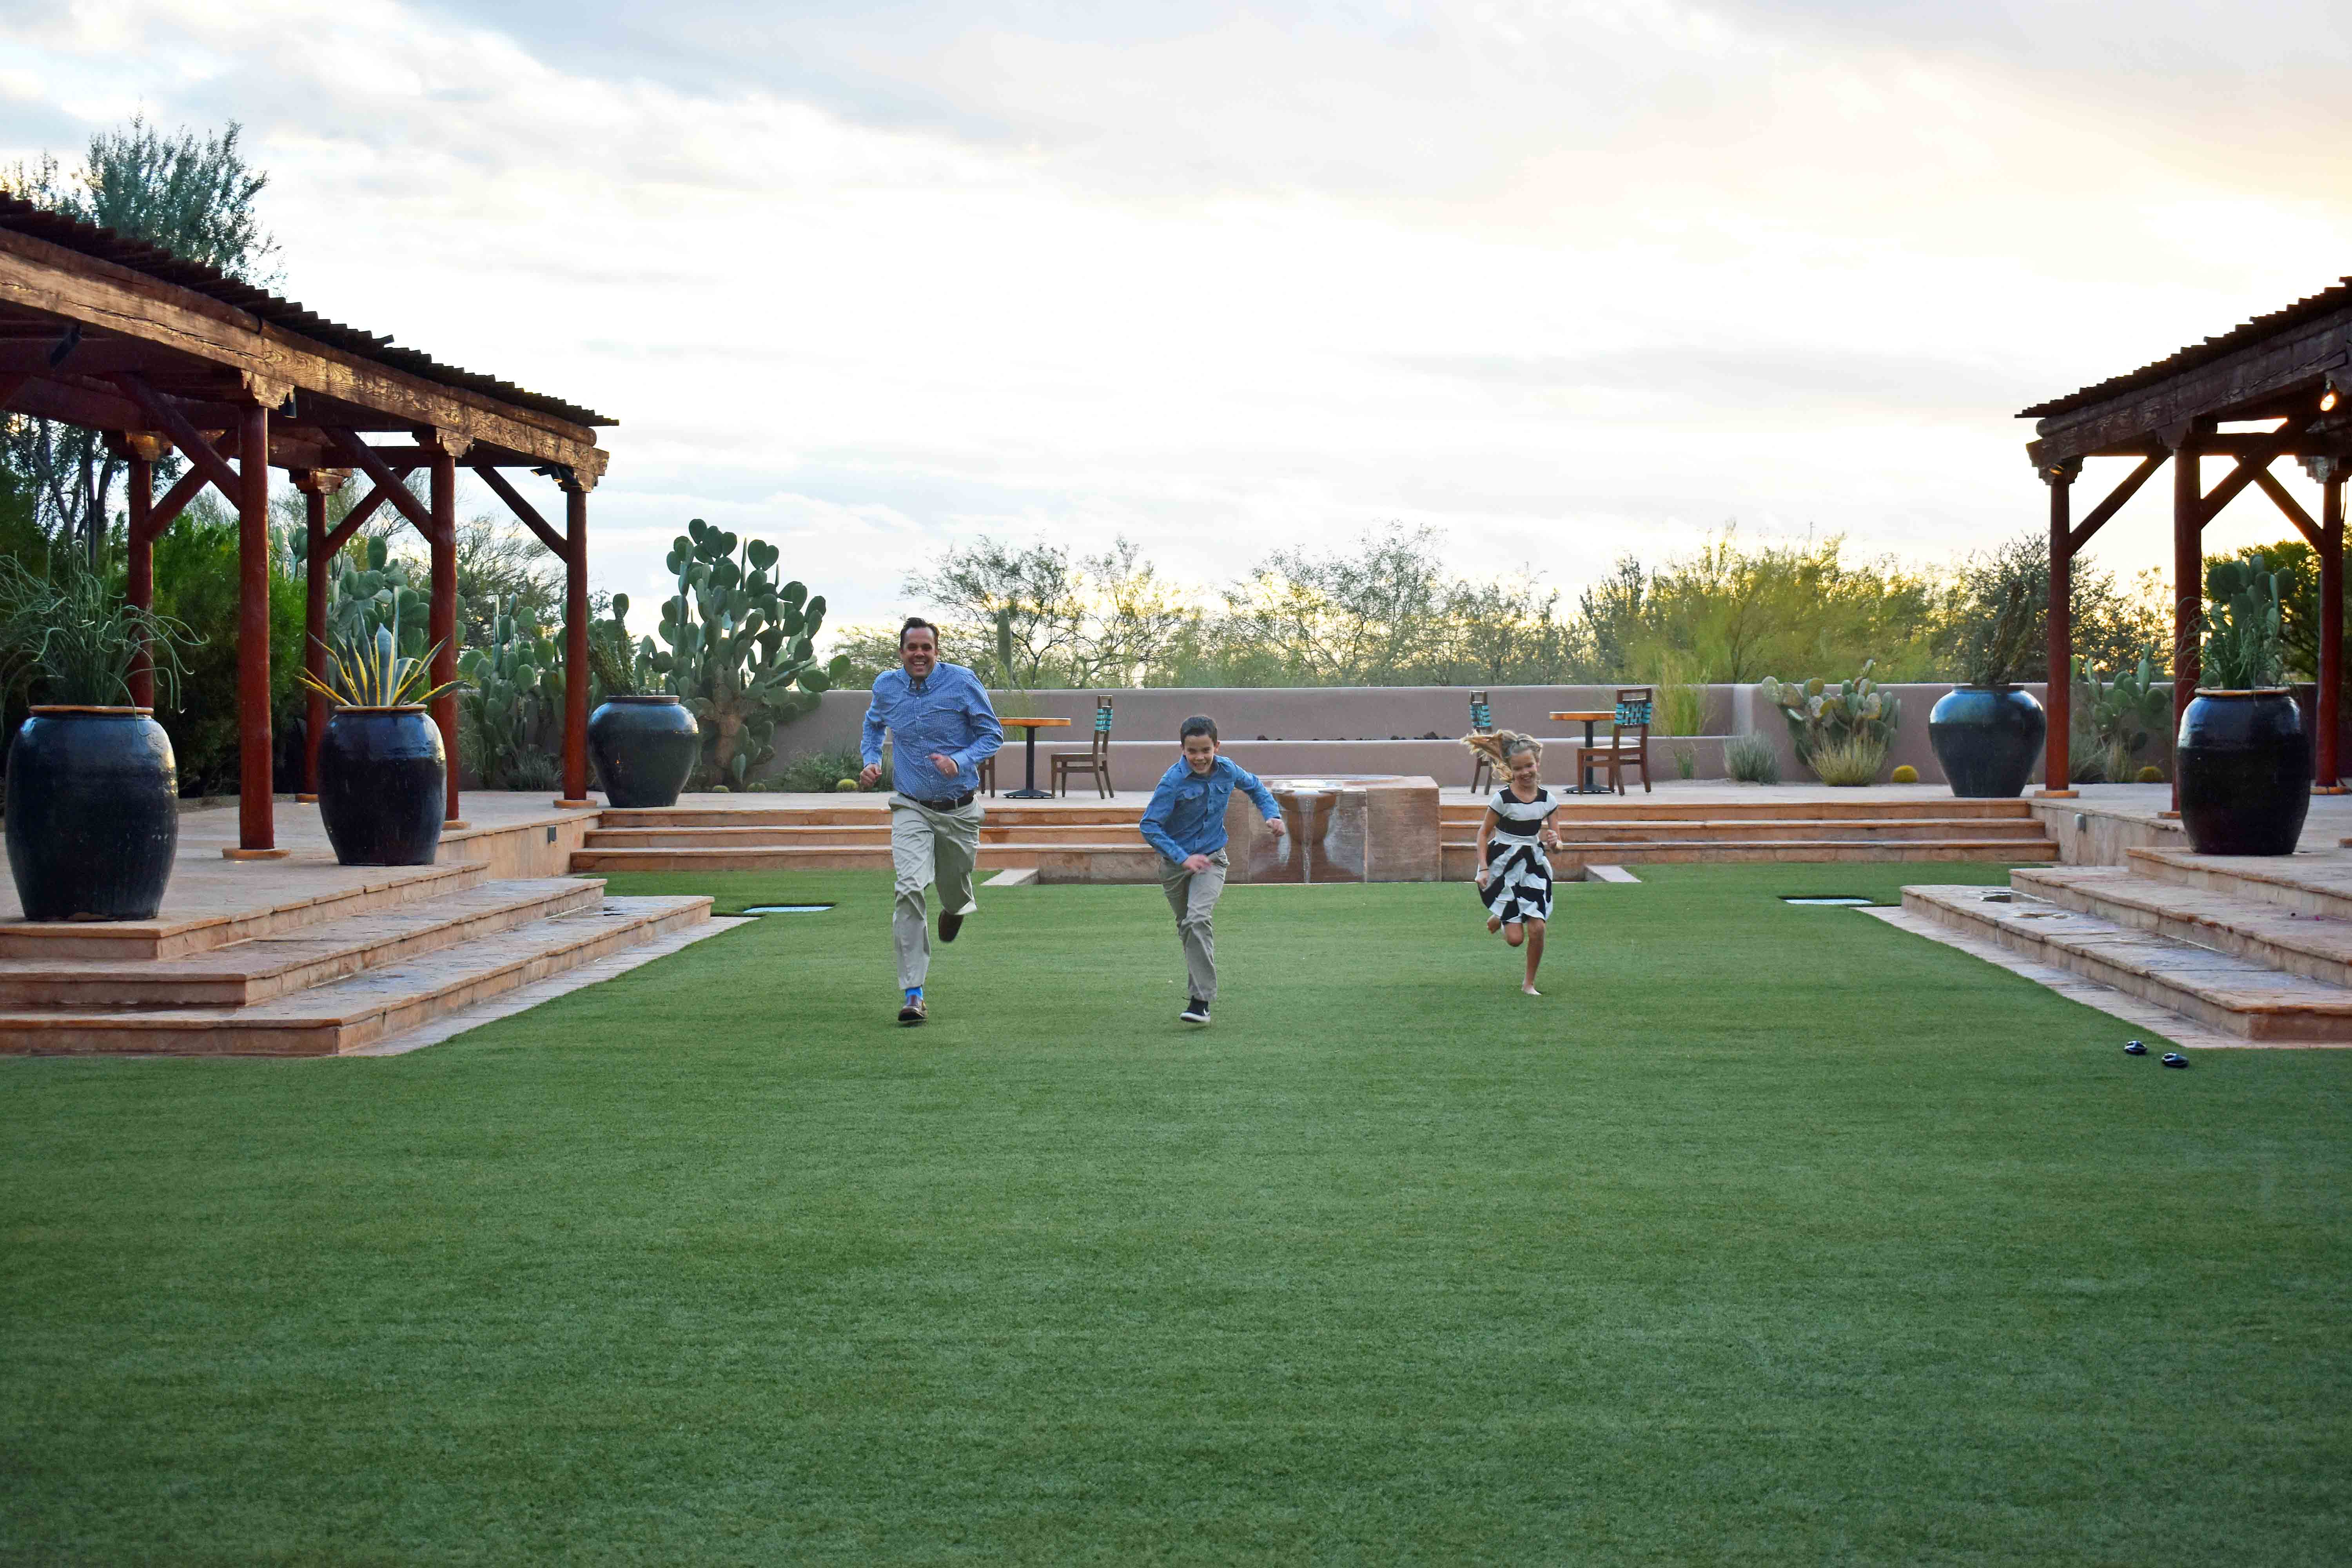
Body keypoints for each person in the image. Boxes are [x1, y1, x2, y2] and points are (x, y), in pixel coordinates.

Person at [859, 618, 1003, 1025]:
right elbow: (873, 725)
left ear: (937, 651)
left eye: (926, 647)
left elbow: (992, 734)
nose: (919, 654)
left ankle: (955, 908)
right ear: (901, 651)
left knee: (955, 891)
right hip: (911, 806)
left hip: (959, 808)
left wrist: (959, 761)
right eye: (912, 648)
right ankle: (913, 992)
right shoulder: (886, 686)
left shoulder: (962, 682)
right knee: (908, 887)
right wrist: (872, 760)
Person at [1138, 716, 1286, 1025]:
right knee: (1188, 927)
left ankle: (1200, 1001)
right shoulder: (1172, 782)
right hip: (1176, 867)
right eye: (1192, 751)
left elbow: (1256, 788)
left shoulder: (1228, 769)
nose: (1200, 758)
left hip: (1213, 859)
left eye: (1206, 750)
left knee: (1198, 918)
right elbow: (1149, 826)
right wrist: (1182, 858)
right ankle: (1200, 995)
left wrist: (1272, 815)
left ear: (1216, 746)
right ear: (1182, 750)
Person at [1464, 729, 1563, 996]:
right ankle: (1501, 914)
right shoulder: (1502, 800)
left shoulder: (1548, 800)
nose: (1526, 773)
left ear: (1537, 764)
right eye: (1519, 768)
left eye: (1529, 766)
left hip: (1533, 865)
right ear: (1511, 769)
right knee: (1515, 940)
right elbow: (1483, 834)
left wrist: (1555, 843)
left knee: (1538, 927)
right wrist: (1483, 868)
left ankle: (1529, 983)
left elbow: (1557, 846)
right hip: (1504, 865)